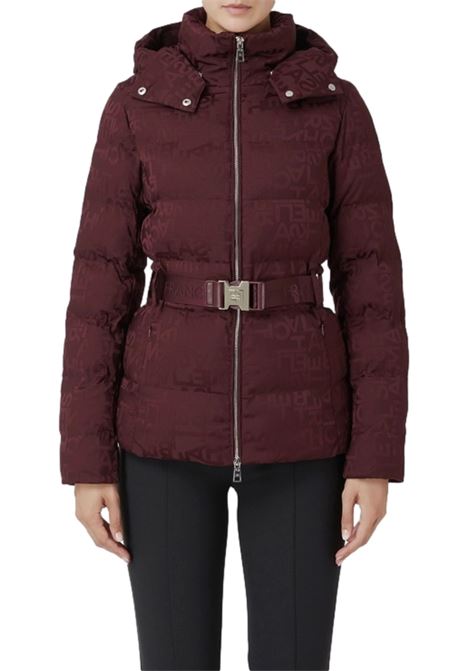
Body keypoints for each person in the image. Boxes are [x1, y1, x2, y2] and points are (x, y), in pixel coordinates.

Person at [59, 1, 409, 669]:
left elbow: (373, 290)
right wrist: (86, 461)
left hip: (304, 435)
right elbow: (99, 287)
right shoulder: (137, 104)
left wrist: (375, 455)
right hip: (162, 435)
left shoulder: (336, 105)